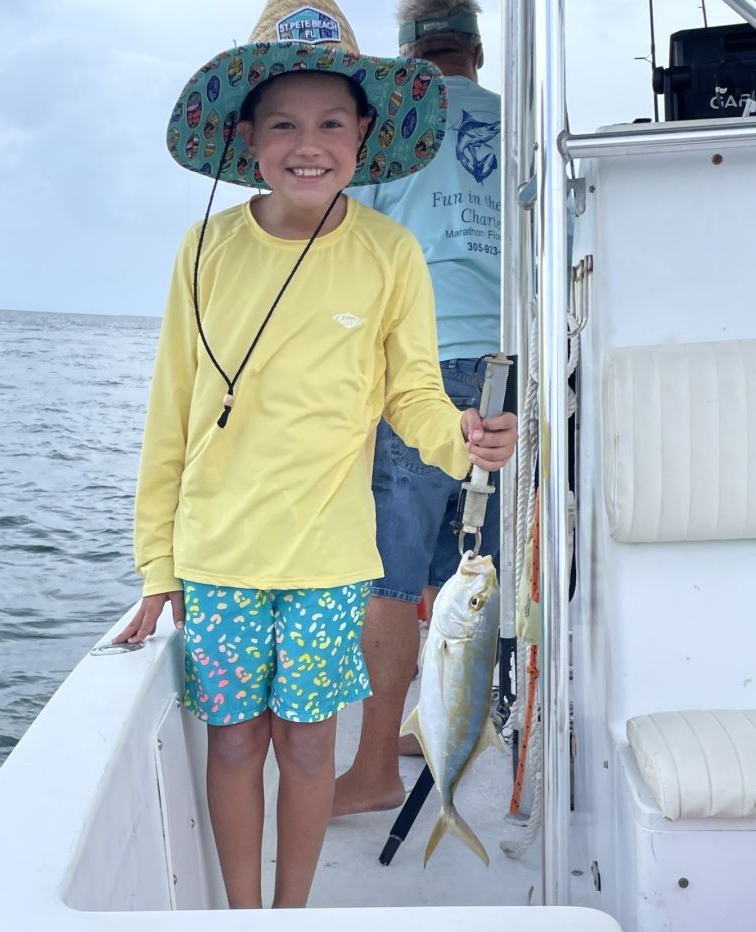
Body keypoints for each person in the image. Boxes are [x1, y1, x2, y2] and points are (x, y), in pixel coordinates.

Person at [114, 0, 513, 909]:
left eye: (332, 122)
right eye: (285, 123)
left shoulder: (390, 253)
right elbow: (169, 413)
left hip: (333, 561)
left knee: (304, 744)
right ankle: (243, 917)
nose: (310, 143)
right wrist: (156, 562)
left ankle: (290, 914)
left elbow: (411, 393)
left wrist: (462, 434)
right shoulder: (202, 251)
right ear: (247, 136)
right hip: (219, 559)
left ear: (364, 136)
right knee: (233, 742)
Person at [333, 0, 517, 818]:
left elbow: (355, 244)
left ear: (406, 56)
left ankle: (373, 768)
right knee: (475, 568)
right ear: (476, 49)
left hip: (417, 365)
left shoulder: (393, 125)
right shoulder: (520, 122)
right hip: (514, 373)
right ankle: (449, 733)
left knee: (392, 577)